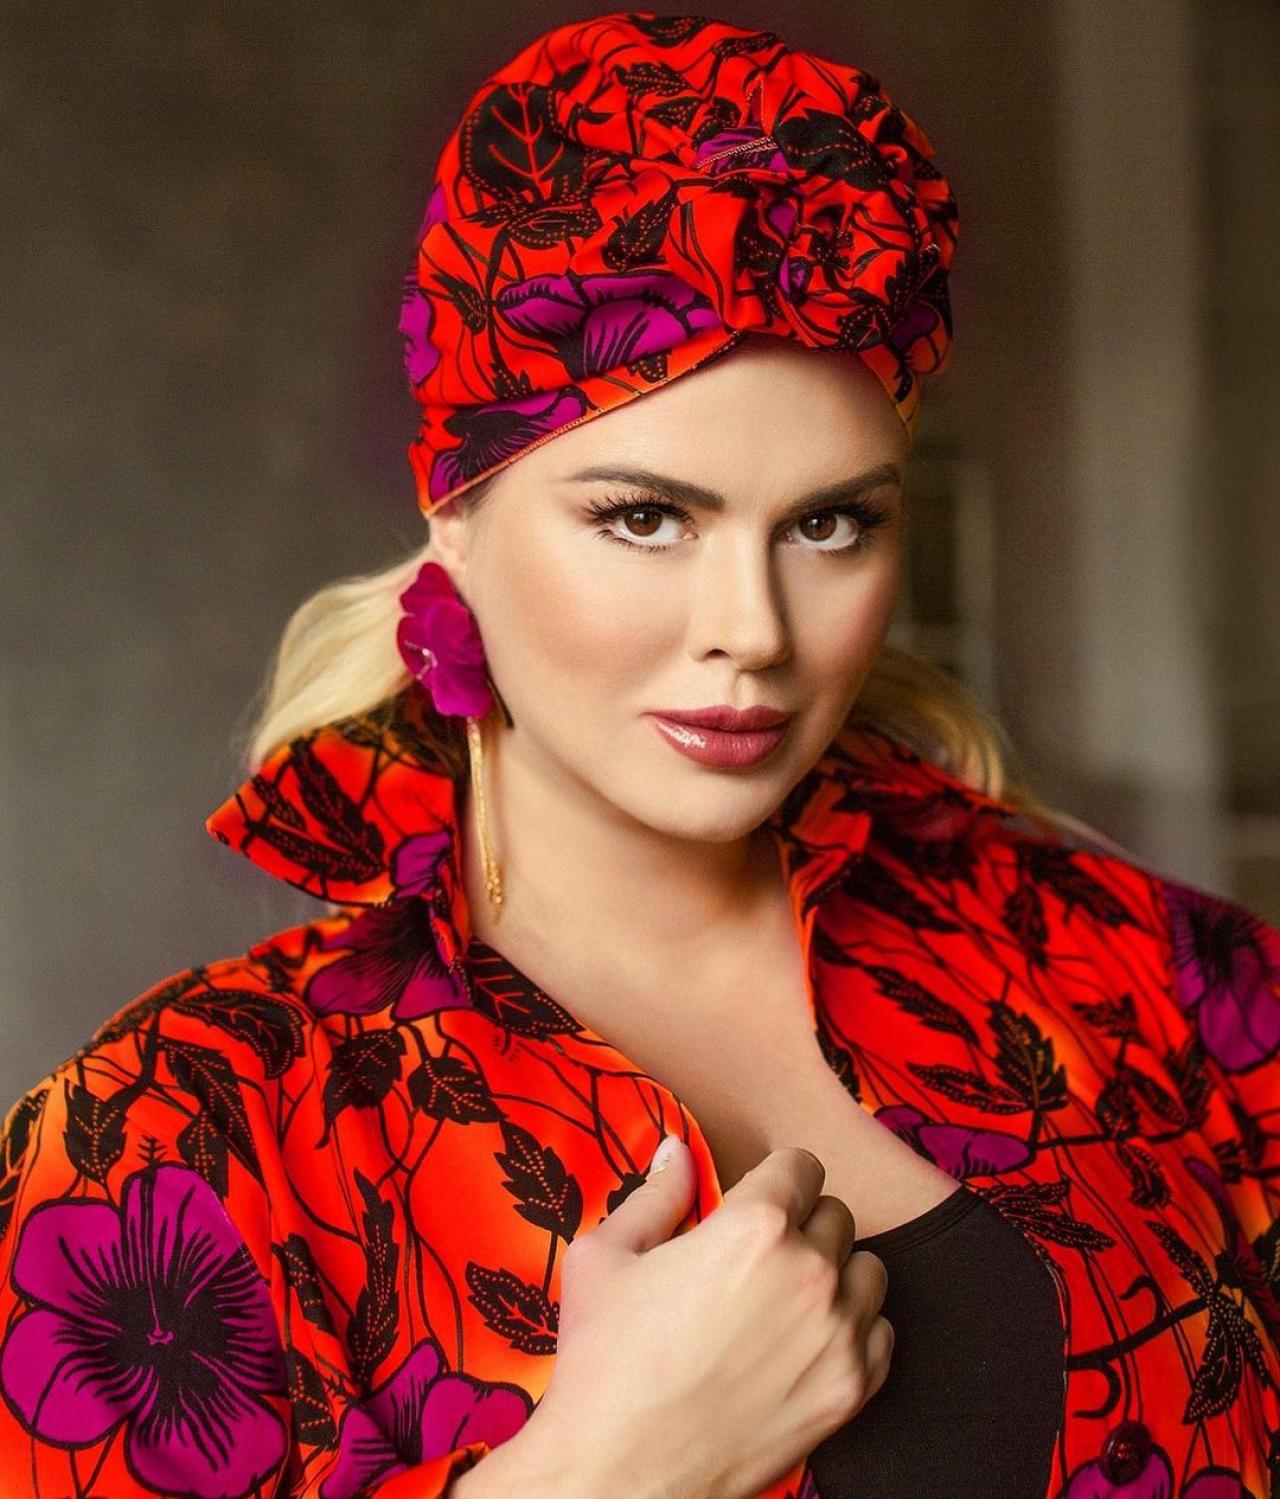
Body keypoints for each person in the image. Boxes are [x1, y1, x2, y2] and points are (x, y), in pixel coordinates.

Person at [2, 11, 1277, 1499]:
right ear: (454, 513)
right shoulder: (176, 1140)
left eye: (828, 523)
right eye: (646, 517)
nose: (753, 631)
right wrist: (612, 1468)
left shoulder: (1139, 978)